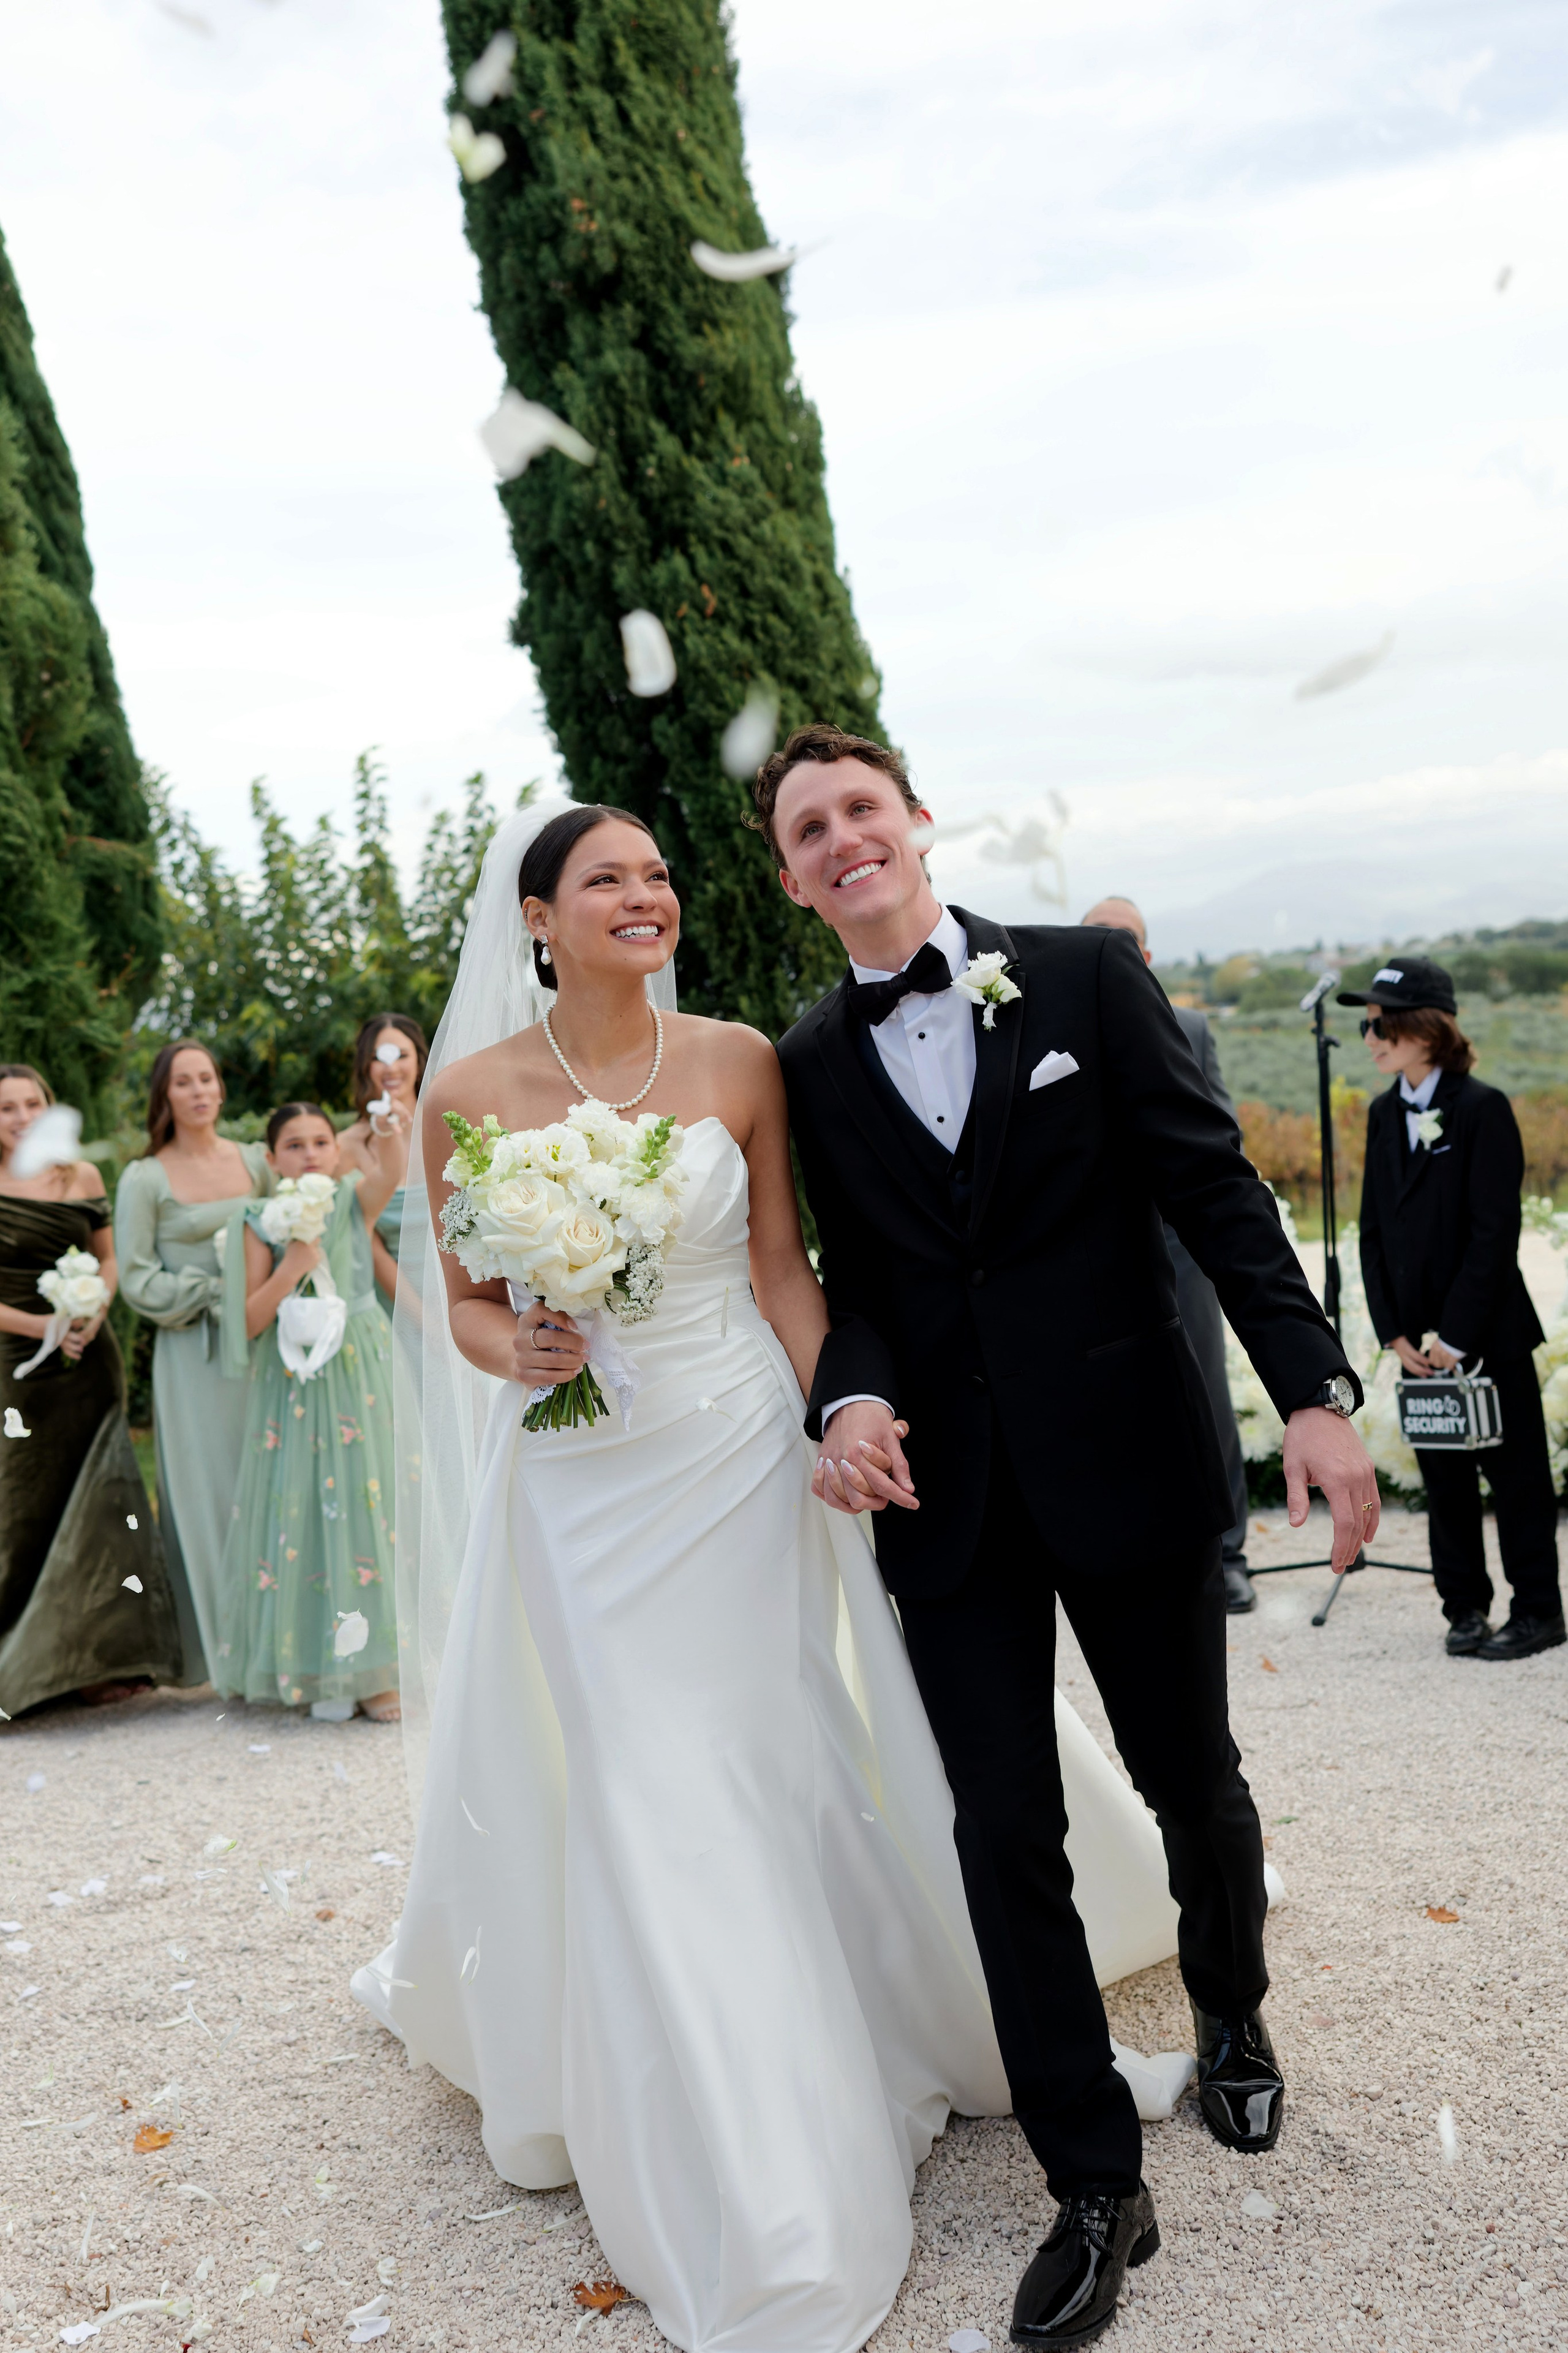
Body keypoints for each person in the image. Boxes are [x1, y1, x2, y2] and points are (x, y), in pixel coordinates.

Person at [352, 801, 1186, 2353]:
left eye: (660, 874)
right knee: (641, 1781)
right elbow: (462, 1306)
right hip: (584, 1472)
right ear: (538, 915)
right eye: (607, 877)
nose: (645, 895)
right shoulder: (466, 1093)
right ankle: (739, 2142)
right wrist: (511, 1343)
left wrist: (839, 1407)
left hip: (735, 1452)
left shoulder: (739, 1059)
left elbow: (782, 1273)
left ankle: (840, 2033)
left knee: (761, 1754)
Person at [761, 725, 1379, 2349]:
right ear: (791, 872)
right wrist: (848, 1403)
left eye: (860, 810)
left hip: (1128, 1453)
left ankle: (1235, 2014)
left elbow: (1217, 1197)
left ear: (917, 823)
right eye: (809, 827)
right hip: (948, 1500)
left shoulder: (1089, 982)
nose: (842, 840)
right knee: (999, 1833)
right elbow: (866, 1286)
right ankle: (1093, 2181)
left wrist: (1312, 1393)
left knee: (1191, 1778)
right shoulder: (810, 1059)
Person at [1343, 956, 1562, 1662]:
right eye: (1365, 1023)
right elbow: (1372, 1230)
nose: (1369, 1036)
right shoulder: (1383, 1114)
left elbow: (1493, 1234)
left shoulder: (1481, 1109)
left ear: (1427, 1030)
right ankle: (1463, 1607)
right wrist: (1394, 1333)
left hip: (1485, 1336)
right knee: (1444, 1480)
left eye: (1380, 1023)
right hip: (1417, 1347)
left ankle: (1538, 1609)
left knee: (1516, 1478)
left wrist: (1457, 1336)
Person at [1081, 896, 1257, 1614]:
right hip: (1090, 1254)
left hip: (1178, 1249)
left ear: (1144, 956)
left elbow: (1219, 1143)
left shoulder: (1189, 1028)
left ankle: (1232, 1553)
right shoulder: (1049, 1028)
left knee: (1206, 1398)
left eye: (1123, 943)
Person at [0, 1065, 185, 1715]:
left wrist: (92, 1310)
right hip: (15, 1367)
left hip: (86, 1360)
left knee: (95, 1509)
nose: (22, 1117)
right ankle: (18, 1667)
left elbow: (107, 1257)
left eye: (33, 1104)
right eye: (7, 1108)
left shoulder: (79, 1176)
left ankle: (88, 1663)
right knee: (21, 1508)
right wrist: (44, 1325)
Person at [214, 1101, 405, 1719]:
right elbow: (245, 1320)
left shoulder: (352, 1199)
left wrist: (388, 1131)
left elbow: (391, 1171)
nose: (309, 1154)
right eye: (293, 1145)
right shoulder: (255, 1220)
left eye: (320, 1141)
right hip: (293, 1382)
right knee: (299, 1512)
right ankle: (315, 1666)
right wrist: (292, 1265)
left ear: (337, 1149)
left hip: (356, 1370)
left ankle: (375, 1672)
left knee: (362, 1504)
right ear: (270, 1159)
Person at [114, 1041, 273, 1681]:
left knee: (265, 1478)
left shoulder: (257, 1163)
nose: (200, 1090)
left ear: (220, 1088)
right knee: (207, 1490)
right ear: (166, 1096)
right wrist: (211, 1295)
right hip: (192, 1354)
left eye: (207, 1077)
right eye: (184, 1082)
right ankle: (219, 1653)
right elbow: (135, 1277)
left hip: (260, 1345)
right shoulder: (144, 1178)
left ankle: (274, 1639)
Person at [336, 1013, 427, 1316]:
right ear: (365, 1066)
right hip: (392, 1305)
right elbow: (366, 1243)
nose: (391, 1068)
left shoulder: (447, 1126)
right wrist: (424, 1322)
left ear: (419, 1060)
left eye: (402, 1055)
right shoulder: (346, 1147)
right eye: (379, 1058)